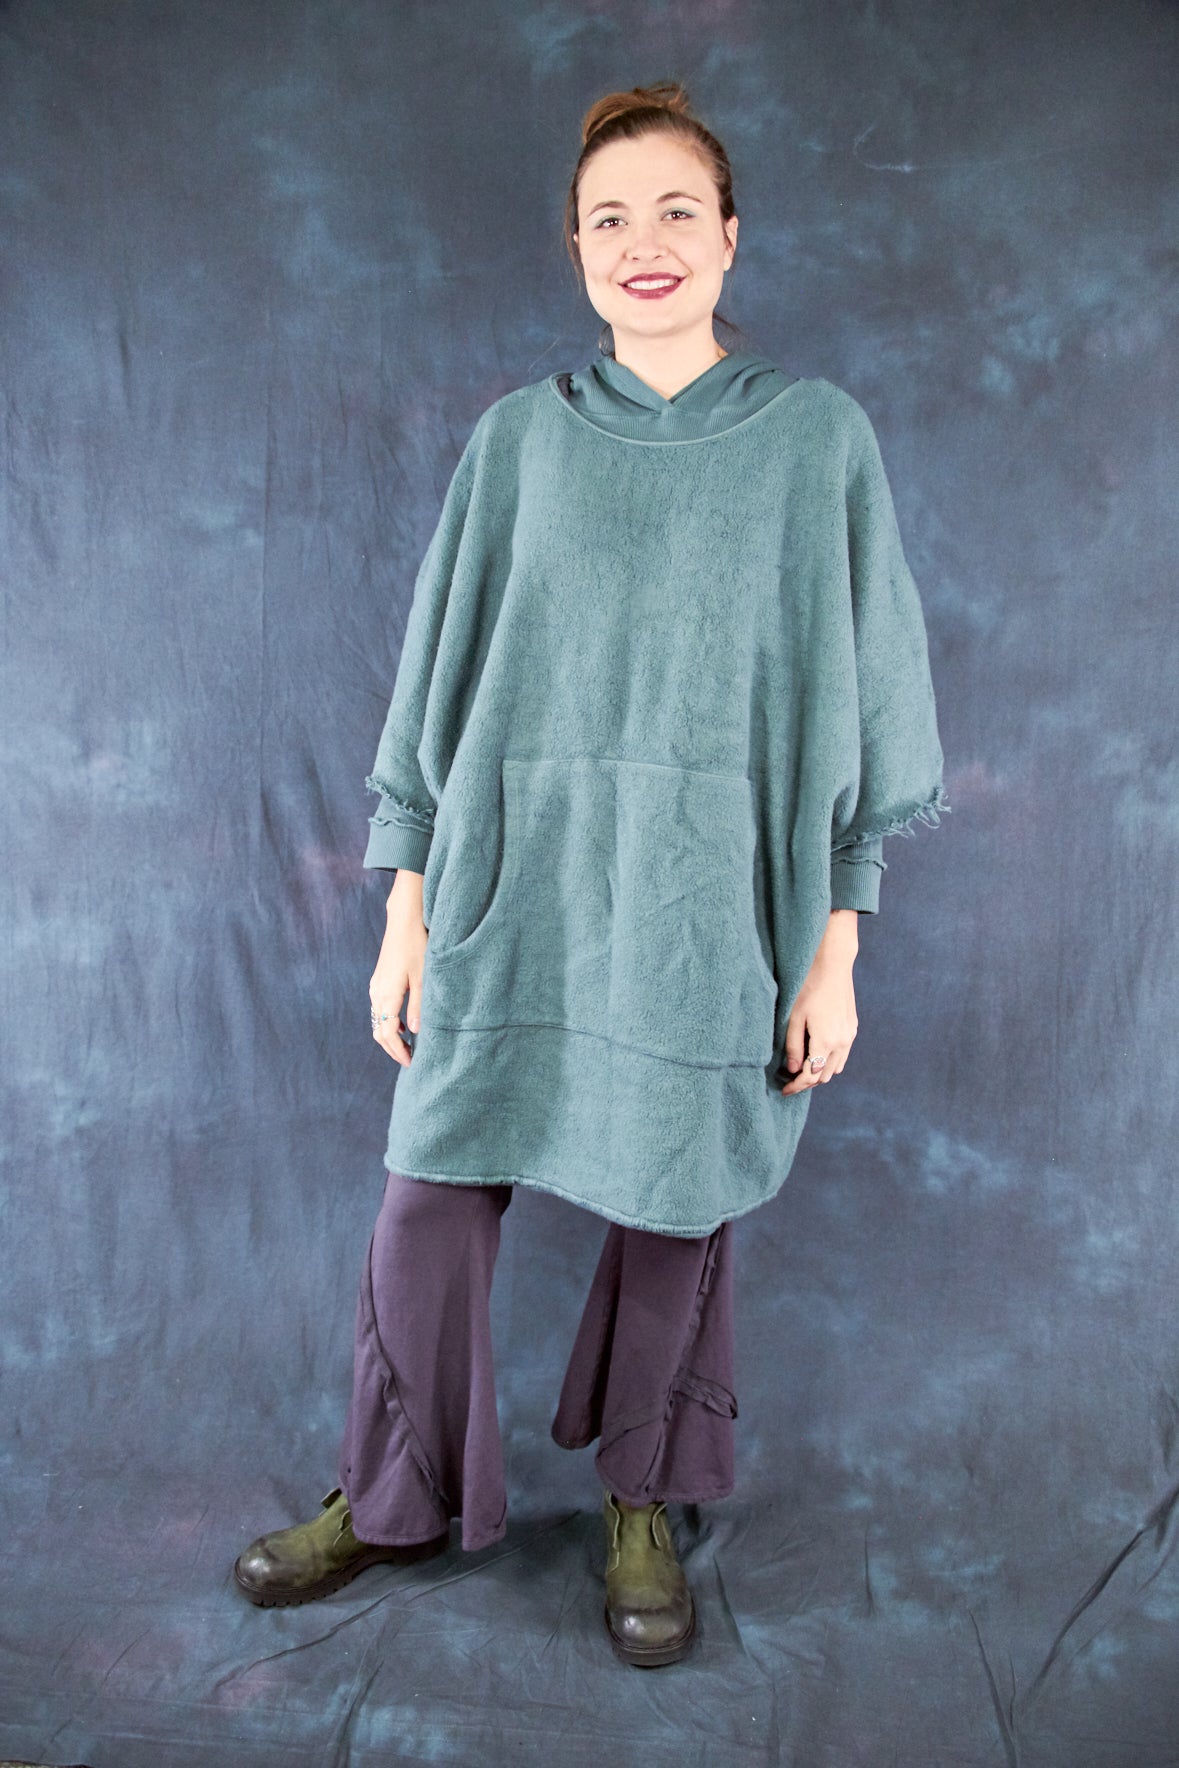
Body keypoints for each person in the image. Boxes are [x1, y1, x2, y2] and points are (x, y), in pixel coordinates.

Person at [233, 81, 949, 1669]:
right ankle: (388, 1493)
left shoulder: (816, 441)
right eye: (609, 218)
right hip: (515, 890)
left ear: (730, 237)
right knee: (428, 1195)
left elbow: (864, 714)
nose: (645, 242)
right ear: (575, 250)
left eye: (676, 210)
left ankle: (644, 1499)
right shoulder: (520, 442)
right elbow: (434, 692)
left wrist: (836, 949)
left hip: (712, 911)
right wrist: (406, 914)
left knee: (678, 1203)